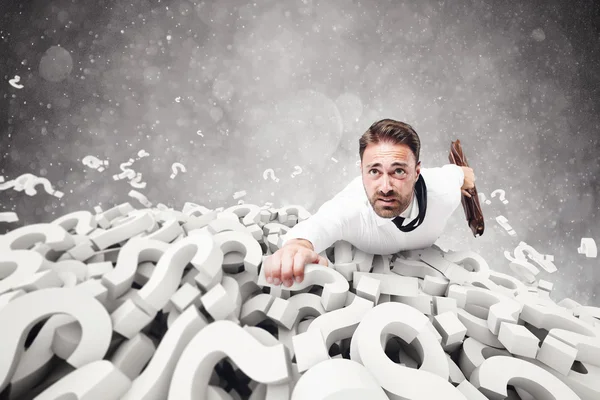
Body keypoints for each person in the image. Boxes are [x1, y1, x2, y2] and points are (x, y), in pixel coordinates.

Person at [262, 118, 476, 288]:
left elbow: (462, 174)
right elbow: (322, 223)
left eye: (398, 171)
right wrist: (297, 246)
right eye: (374, 171)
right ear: (362, 171)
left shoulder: (441, 190)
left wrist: (465, 183)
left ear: (417, 172)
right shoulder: (353, 207)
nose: (385, 187)